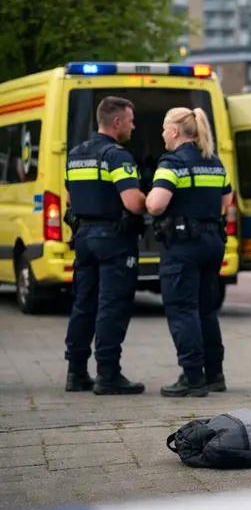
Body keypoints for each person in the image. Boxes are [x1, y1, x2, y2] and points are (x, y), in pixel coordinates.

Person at [146, 107, 232, 397]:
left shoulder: (172, 163)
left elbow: (156, 204)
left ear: (174, 131)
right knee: (206, 309)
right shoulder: (215, 161)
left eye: (163, 129)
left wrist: (147, 200)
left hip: (183, 246)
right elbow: (227, 200)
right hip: (212, 243)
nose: (161, 134)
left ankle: (192, 377)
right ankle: (215, 374)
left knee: (183, 310)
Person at [63, 96, 146, 395]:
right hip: (114, 240)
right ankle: (108, 374)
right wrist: (153, 201)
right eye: (130, 120)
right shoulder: (117, 156)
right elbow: (132, 202)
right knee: (112, 306)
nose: (133, 125)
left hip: (84, 238)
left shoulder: (75, 154)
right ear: (116, 122)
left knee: (83, 304)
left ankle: (76, 373)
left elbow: (70, 198)